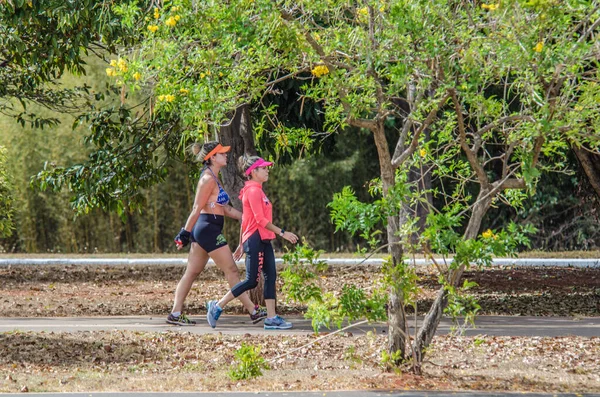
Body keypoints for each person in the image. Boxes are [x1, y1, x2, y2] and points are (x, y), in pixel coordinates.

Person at [168, 141, 266, 326]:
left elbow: (226, 209)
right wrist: (184, 233)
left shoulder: (215, 176)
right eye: (222, 153)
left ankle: (175, 313)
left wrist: (245, 216)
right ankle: (253, 311)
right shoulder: (208, 179)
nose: (226, 155)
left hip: (208, 229)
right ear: (212, 157)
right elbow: (197, 207)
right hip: (208, 230)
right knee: (231, 270)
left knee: (191, 272)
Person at [206, 155, 298, 330]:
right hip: (256, 238)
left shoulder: (257, 190)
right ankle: (217, 305)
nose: (267, 170)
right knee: (251, 281)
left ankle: (271, 318)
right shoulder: (253, 191)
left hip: (262, 238)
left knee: (270, 277)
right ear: (253, 172)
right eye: (263, 168)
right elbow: (260, 220)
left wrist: (241, 243)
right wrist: (283, 233)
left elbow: (246, 219)